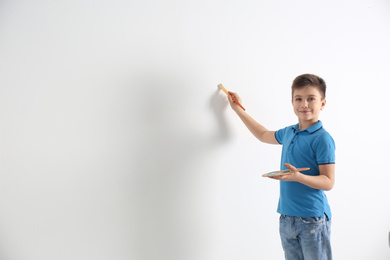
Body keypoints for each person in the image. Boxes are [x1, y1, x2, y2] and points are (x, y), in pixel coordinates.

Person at [227, 74, 335, 260]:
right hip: (286, 217)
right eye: (298, 99)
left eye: (311, 99)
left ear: (322, 103)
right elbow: (262, 134)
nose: (304, 104)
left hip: (312, 219)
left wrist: (299, 177)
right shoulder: (289, 132)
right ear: (292, 102)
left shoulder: (322, 138)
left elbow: (328, 181)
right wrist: (238, 109)